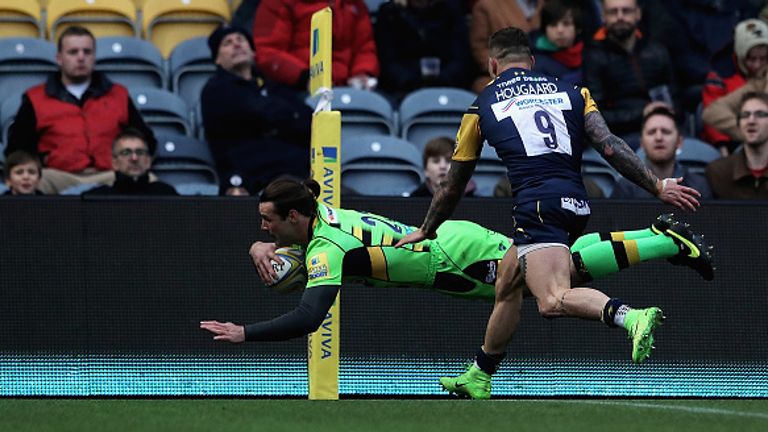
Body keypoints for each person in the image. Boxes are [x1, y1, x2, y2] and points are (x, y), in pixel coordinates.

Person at [395, 27, 705, 400]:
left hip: (536, 207)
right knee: (507, 281)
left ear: (493, 64)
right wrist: (657, 185)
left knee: (552, 300)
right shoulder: (573, 92)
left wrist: (428, 229)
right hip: (575, 201)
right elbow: (609, 146)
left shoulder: (482, 105)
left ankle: (630, 316)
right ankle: (480, 373)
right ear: (532, 62)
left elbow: (454, 183)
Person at [200, 178, 713, 345]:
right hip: (451, 244)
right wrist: (260, 246)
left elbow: (310, 317)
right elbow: (298, 223)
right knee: (560, 269)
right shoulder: (318, 210)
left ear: (294, 215)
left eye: (267, 221)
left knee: (555, 279)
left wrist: (246, 333)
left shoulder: (326, 249)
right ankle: (661, 239)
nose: (262, 228)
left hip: (453, 260)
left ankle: (661, 240)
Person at [4, 26, 156, 195]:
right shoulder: (36, 98)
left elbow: (146, 139)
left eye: (87, 52)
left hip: (109, 175)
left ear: (94, 57)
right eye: (73, 52)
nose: (81, 57)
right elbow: (17, 149)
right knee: (29, 184)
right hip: (58, 176)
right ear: (59, 58)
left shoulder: (118, 95)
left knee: (150, 182)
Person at [201, 24, 312, 195]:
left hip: (302, 174)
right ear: (217, 59)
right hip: (258, 179)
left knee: (350, 202)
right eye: (227, 43)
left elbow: (309, 123)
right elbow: (254, 112)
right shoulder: (215, 90)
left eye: (241, 40)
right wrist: (287, 118)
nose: (237, 44)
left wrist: (274, 119)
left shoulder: (274, 87)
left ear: (253, 51)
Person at [582, 0, 676, 143]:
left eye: (626, 11)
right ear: (603, 16)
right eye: (613, 12)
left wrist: (664, 111)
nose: (620, 17)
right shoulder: (594, 57)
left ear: (638, 14)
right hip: (619, 135)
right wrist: (643, 113)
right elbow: (595, 114)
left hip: (661, 124)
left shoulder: (656, 51)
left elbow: (676, 98)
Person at [251, 0, 379, 91]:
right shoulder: (278, 3)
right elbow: (267, 52)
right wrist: (306, 77)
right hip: (297, 88)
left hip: (346, 87)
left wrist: (362, 74)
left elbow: (364, 47)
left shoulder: (354, 4)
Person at [374, 0, 472, 99]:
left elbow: (461, 59)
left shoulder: (451, 10)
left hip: (448, 85)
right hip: (402, 88)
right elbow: (388, 61)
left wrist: (441, 79)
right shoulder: (390, 12)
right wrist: (412, 81)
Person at [611, 104, 712, 199]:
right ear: (641, 143)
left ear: (679, 142)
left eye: (666, 132)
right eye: (651, 132)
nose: (659, 138)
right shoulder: (626, 187)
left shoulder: (699, 186)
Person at [701, 18, 768, 154]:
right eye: (751, 59)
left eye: (763, 58)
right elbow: (713, 115)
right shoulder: (719, 75)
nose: (757, 65)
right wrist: (752, 132)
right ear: (739, 54)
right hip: (732, 143)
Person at [469, 0, 542, 93]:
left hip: (540, 72)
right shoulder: (487, 5)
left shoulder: (544, 4)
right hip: (498, 73)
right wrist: (507, 69)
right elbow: (479, 47)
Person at [706, 91, 768, 200]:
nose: (751, 121)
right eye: (745, 115)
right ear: (739, 124)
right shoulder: (718, 172)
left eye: (760, 114)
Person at [83, 128, 177, 196]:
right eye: (126, 153)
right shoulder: (98, 198)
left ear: (148, 161)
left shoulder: (165, 195)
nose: (134, 158)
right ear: (114, 163)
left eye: (140, 152)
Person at [531, 0, 584, 86]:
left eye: (566, 24)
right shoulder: (535, 63)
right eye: (553, 24)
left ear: (578, 29)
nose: (560, 30)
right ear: (544, 29)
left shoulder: (589, 53)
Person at [410, 137, 476, 197]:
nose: (442, 166)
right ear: (426, 170)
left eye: (449, 160)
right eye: (436, 161)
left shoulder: (476, 202)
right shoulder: (413, 201)